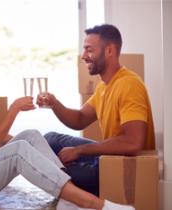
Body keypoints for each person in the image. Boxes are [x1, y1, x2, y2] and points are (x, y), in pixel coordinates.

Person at [0, 32, 135, 210]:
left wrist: (29, 146)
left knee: (31, 135)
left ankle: (67, 196)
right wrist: (14, 110)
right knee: (19, 149)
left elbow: (0, 139)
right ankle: (97, 205)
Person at [36, 24, 155, 196]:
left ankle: (58, 170)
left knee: (55, 172)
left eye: (89, 50)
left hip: (124, 165)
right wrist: (54, 103)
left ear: (109, 51)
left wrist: (78, 151)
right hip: (109, 156)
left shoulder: (129, 85)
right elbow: (80, 119)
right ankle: (47, 166)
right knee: (49, 139)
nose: (83, 56)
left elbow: (133, 143)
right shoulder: (104, 86)